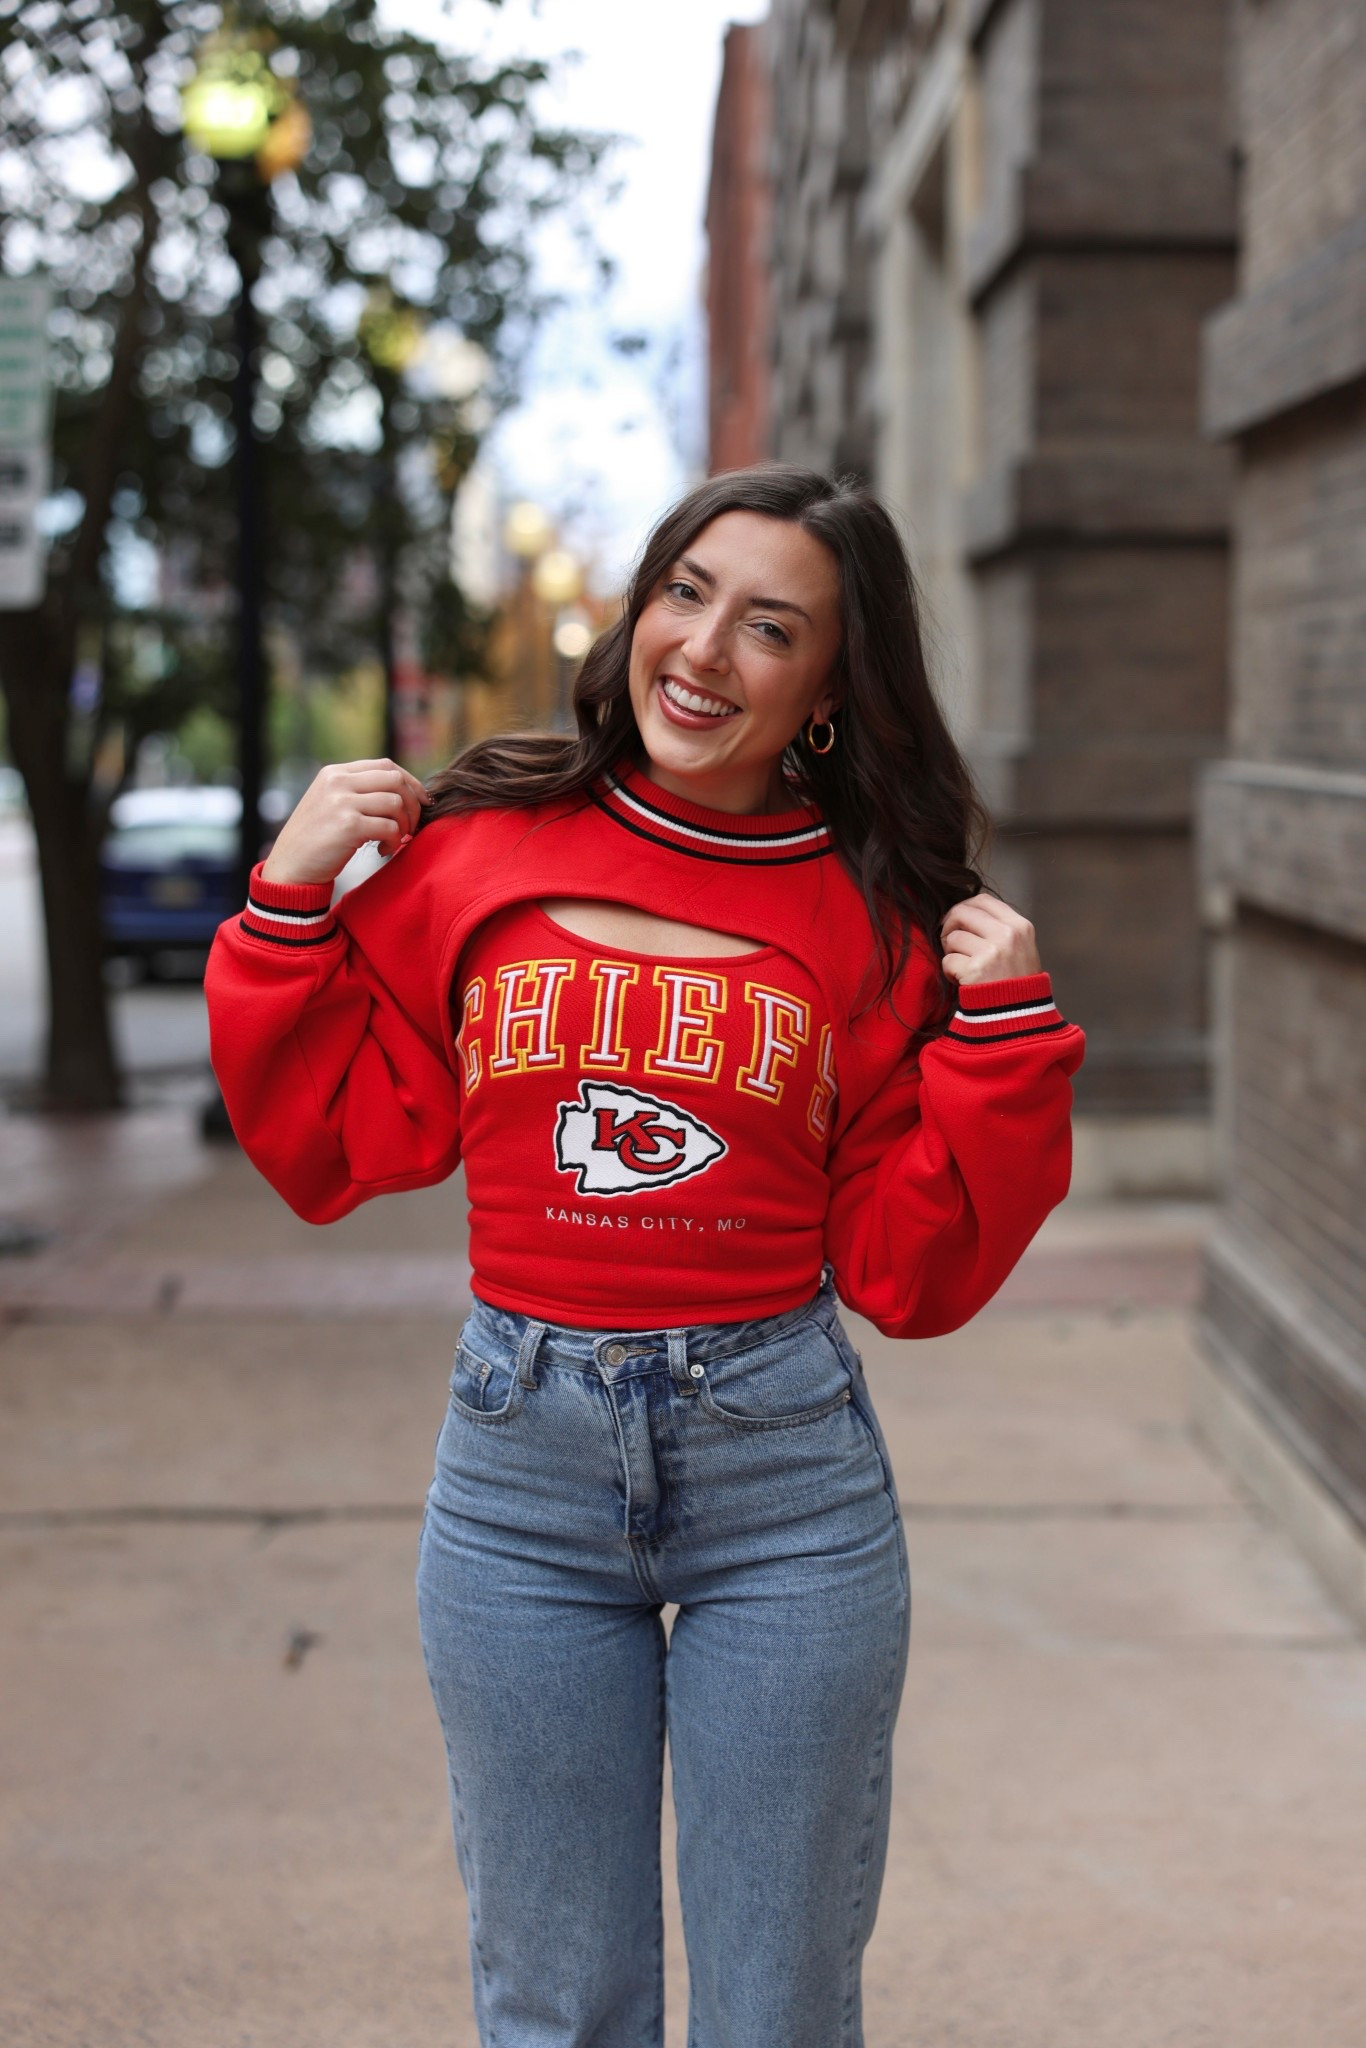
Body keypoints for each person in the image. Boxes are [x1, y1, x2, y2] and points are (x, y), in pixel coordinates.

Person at [205, 463, 1084, 2048]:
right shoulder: (477, 849)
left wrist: (1002, 1041)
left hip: (784, 1490)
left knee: (776, 2010)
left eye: (769, 628)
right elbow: (335, 1142)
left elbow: (913, 1270)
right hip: (517, 1481)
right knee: (556, 2007)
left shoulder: (875, 919)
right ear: (631, 620)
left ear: (827, 689)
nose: (703, 651)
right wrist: (283, 903)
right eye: (685, 594)